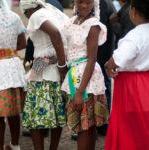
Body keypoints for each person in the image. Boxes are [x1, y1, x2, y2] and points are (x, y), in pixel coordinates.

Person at [20, 0, 69, 150]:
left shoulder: (36, 15)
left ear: (28, 10)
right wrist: (62, 64)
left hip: (45, 74)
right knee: (56, 115)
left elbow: (55, 34)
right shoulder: (54, 11)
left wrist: (60, 64)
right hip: (57, 71)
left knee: (34, 118)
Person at [61, 0, 108, 149]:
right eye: (81, 2)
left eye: (88, 2)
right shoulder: (72, 21)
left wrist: (80, 91)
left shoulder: (92, 25)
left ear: (94, 4)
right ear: (74, 2)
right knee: (86, 124)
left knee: (85, 125)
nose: (84, 6)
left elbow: (92, 59)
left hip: (86, 79)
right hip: (75, 75)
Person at [105, 0, 149, 149]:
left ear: (133, 12)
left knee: (130, 128)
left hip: (132, 86)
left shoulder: (135, 35)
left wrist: (108, 66)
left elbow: (119, 58)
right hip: (147, 81)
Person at [0, 0, 26, 150]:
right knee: (13, 112)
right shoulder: (14, 17)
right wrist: (8, 50)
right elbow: (22, 43)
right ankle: (15, 145)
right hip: (12, 69)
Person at [97, 0, 116, 136]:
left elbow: (99, 33)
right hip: (105, 52)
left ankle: (102, 123)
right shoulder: (108, 3)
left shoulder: (102, 4)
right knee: (105, 87)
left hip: (99, 55)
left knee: (102, 88)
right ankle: (103, 122)